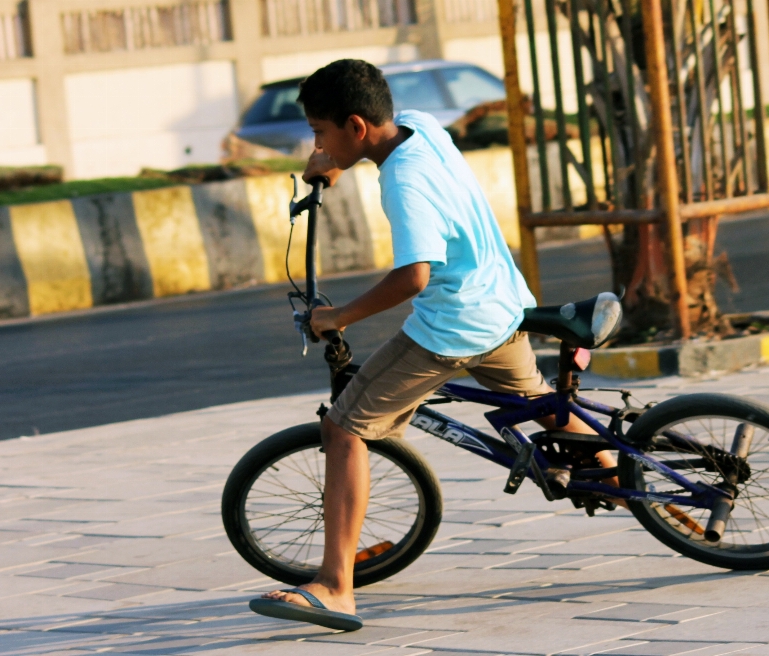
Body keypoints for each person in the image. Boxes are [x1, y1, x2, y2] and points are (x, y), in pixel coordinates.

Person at [253, 59, 622, 629]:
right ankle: (637, 487)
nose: (316, 143)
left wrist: (339, 316)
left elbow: (414, 277)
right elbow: (374, 149)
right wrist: (334, 167)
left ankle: (333, 587)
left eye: (319, 131)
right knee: (543, 406)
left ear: (354, 125)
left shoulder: (403, 184)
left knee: (344, 428)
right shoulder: (422, 126)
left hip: (454, 327)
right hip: (503, 304)